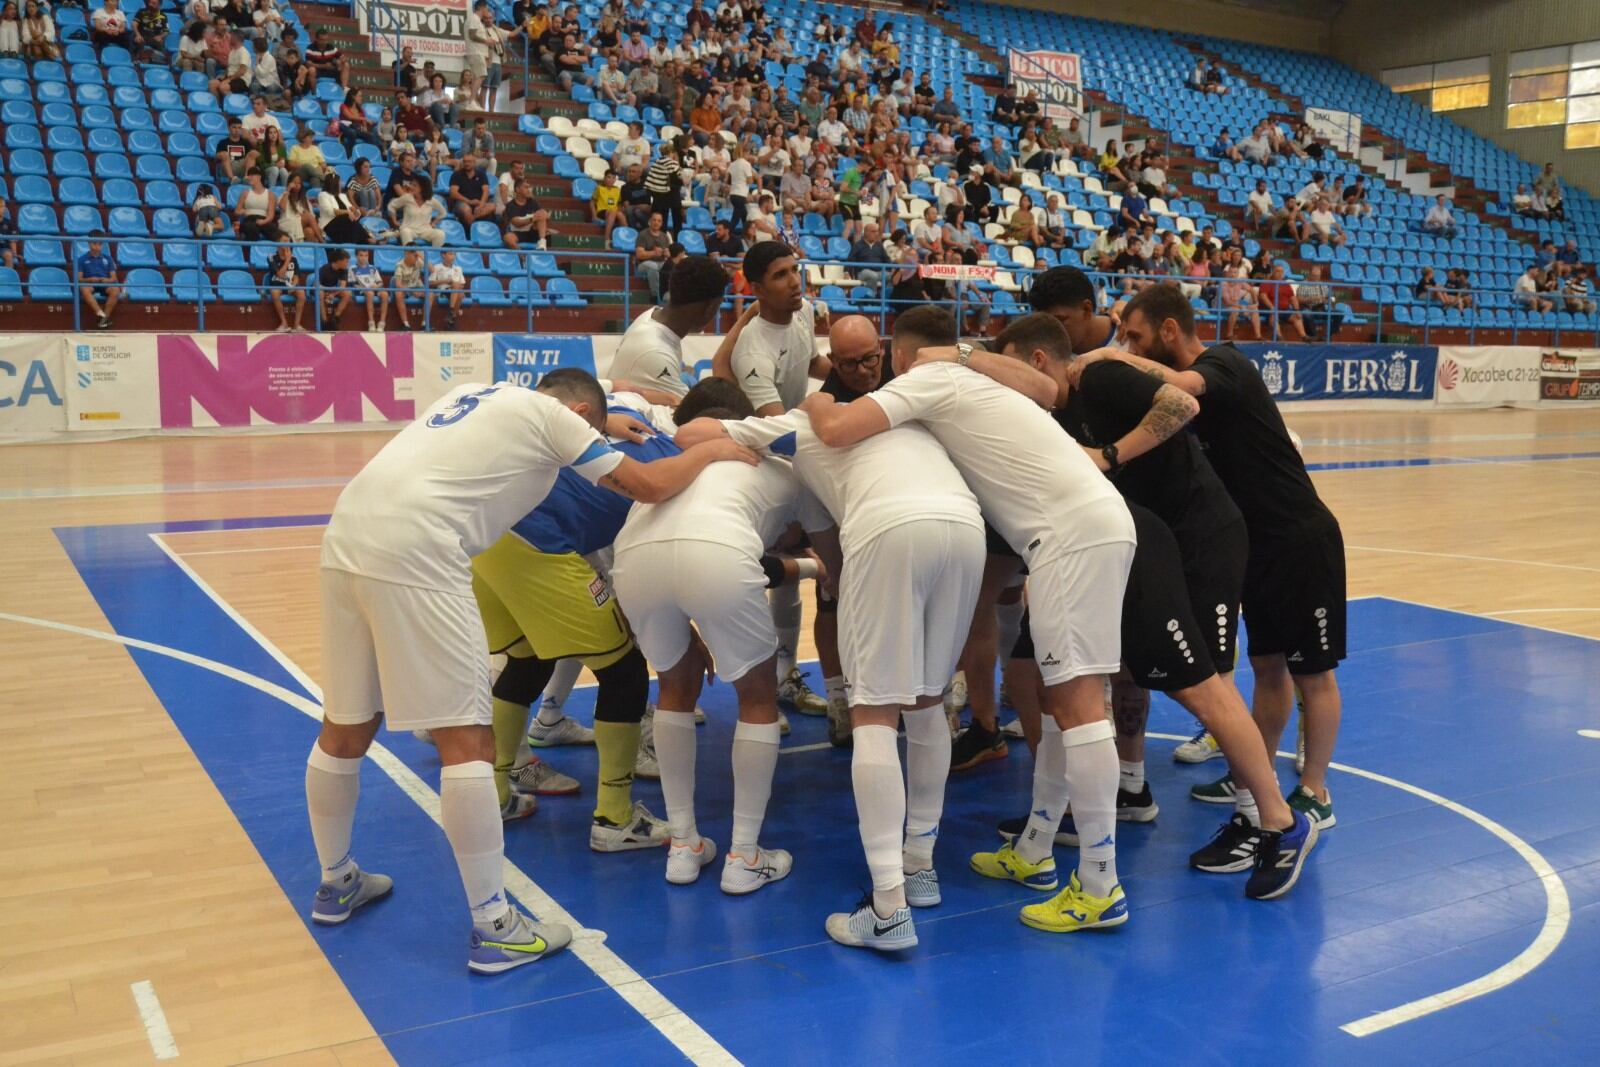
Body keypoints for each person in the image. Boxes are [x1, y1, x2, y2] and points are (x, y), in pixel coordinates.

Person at [306, 370, 753, 970]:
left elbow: (562, 428)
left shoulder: (482, 393)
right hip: (422, 552)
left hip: (348, 536)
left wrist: (598, 425)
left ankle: (336, 879)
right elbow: (645, 485)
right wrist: (715, 451)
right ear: (576, 413)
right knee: (466, 738)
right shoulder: (555, 420)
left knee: (346, 722)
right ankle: (495, 926)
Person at [801, 305, 1135, 934]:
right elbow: (1050, 387)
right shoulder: (976, 376)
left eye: (880, 358)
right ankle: (1040, 851)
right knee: (1074, 698)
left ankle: (1099, 883)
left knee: (1080, 702)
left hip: (1066, 534)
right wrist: (961, 354)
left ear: (899, 356)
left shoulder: (926, 380)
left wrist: (813, 405)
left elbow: (841, 429)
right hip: (1090, 524)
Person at [1086, 283, 1348, 834]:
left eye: (1137, 336)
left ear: (1170, 330)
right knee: (1267, 667)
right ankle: (1252, 771)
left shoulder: (1224, 361)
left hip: (1300, 538)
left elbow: (1184, 387)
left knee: (1313, 674)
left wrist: (1110, 356)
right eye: (1124, 338)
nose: (1130, 347)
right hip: (1251, 543)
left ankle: (1315, 790)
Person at [611, 382, 832, 895]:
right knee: (756, 695)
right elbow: (823, 550)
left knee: (674, 686)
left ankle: (684, 846)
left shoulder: (673, 460)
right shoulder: (784, 467)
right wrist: (834, 578)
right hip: (717, 551)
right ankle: (744, 856)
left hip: (634, 556)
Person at [610, 256, 729, 398]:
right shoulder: (656, 352)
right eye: (718, 306)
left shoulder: (651, 316)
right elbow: (692, 415)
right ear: (710, 308)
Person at [75, 237, 121, 330]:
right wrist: (90, 279)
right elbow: (79, 279)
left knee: (116, 290)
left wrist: (106, 280)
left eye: (99, 244)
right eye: (94, 244)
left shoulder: (108, 259)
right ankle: (100, 313)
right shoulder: (81, 259)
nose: (97, 247)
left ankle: (104, 319)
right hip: (90, 283)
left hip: (104, 283)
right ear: (89, 244)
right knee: (84, 288)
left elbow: (113, 277)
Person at [262, 235, 304, 330]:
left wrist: (293, 286)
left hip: (290, 286)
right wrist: (288, 259)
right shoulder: (271, 257)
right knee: (275, 292)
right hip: (277, 284)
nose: (287, 243)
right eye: (284, 241)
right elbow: (280, 275)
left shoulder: (294, 259)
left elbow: (296, 276)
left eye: (289, 241)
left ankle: (297, 325)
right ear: (278, 244)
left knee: (301, 293)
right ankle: (284, 323)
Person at [389, 179, 446, 246]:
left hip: (425, 230)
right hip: (409, 228)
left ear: (423, 188)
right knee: (405, 232)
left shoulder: (431, 200)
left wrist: (434, 223)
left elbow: (443, 212)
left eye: (415, 185)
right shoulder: (407, 198)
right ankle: (410, 255)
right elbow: (391, 206)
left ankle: (435, 255)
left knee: (440, 234)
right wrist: (394, 221)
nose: (411, 187)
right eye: (411, 184)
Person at [1258, 261, 1306, 341]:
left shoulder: (1285, 284)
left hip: (1285, 310)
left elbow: (1293, 298)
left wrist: (1297, 310)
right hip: (1269, 310)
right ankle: (1279, 337)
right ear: (1273, 272)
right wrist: (1271, 307)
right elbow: (1263, 296)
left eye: (1282, 272)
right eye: (1277, 271)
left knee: (1297, 317)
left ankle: (1304, 336)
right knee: (1274, 315)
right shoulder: (1267, 282)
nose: (1280, 274)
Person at [633, 211, 673, 302]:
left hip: (661, 262)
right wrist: (653, 253)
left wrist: (667, 253)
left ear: (662, 223)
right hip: (644, 263)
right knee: (653, 267)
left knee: (671, 266)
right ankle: (655, 296)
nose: (656, 223)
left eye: (659, 221)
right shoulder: (643, 235)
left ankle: (670, 295)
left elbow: (668, 254)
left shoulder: (664, 236)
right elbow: (639, 254)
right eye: (654, 220)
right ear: (650, 221)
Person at [348, 248, 389, 331]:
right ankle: (371, 322)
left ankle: (382, 323)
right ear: (356, 256)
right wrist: (365, 288)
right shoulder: (352, 268)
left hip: (375, 288)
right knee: (370, 293)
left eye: (366, 255)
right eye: (361, 255)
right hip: (361, 290)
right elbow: (352, 284)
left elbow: (380, 282)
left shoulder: (372, 268)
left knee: (385, 294)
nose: (364, 258)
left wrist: (376, 287)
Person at [233, 168, 279, 241]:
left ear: (259, 177)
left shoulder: (270, 195)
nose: (249, 178)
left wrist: (264, 221)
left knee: (275, 231)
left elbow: (271, 215)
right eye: (248, 176)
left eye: (252, 175)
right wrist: (243, 211)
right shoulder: (245, 193)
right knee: (251, 228)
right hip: (249, 219)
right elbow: (237, 211)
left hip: (264, 219)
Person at [427, 249, 467, 328]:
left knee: (460, 293)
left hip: (455, 291)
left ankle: (451, 313)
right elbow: (430, 283)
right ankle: (452, 318)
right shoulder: (437, 267)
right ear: (443, 255)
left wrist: (454, 284)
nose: (453, 257)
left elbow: (462, 284)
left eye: (454, 254)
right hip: (442, 291)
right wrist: (445, 281)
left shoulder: (458, 268)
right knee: (460, 293)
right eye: (451, 254)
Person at [315, 248, 353, 329]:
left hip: (333, 291)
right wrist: (328, 291)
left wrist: (333, 294)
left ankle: (335, 318)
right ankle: (324, 321)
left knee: (347, 294)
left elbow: (342, 286)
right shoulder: (324, 269)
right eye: (346, 261)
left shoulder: (344, 270)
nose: (347, 263)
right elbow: (316, 284)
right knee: (320, 293)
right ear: (339, 261)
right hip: (323, 289)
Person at [391, 247, 426, 328]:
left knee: (430, 294)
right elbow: (398, 284)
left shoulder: (418, 261)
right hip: (405, 289)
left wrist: (421, 256)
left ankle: (425, 323)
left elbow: (432, 269)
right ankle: (405, 324)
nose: (416, 257)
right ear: (407, 254)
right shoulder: (399, 265)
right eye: (414, 255)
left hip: (417, 287)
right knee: (398, 293)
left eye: (417, 255)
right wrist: (412, 292)